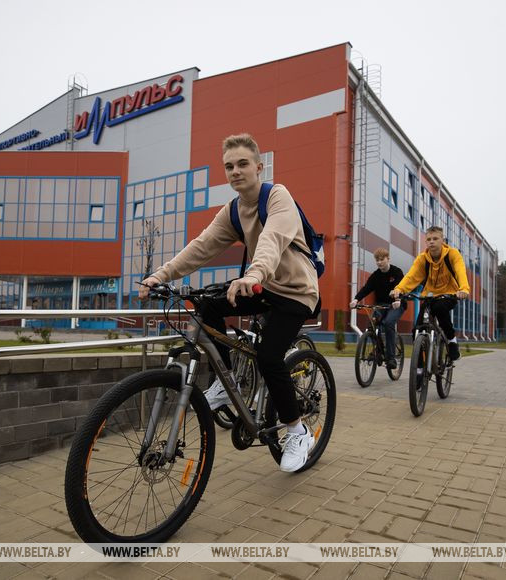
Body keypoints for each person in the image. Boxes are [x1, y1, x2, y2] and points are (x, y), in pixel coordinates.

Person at [138, 133, 320, 473]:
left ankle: (298, 431)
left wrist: (254, 274)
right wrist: (161, 275)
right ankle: (227, 382)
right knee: (207, 305)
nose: (235, 171)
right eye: (229, 166)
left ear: (259, 167)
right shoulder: (233, 210)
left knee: (269, 357)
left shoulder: (277, 196)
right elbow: (201, 246)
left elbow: (272, 239)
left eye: (242, 164)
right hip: (263, 285)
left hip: (296, 291)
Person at [389, 225, 469, 361]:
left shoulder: (452, 254)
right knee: (417, 331)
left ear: (442, 240)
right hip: (429, 296)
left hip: (449, 294)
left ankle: (452, 341)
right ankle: (419, 368)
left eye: (435, 238)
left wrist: (464, 289)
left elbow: (460, 271)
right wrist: (399, 289)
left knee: (440, 308)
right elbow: (411, 276)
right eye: (429, 239)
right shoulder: (422, 259)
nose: (432, 241)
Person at [349, 248, 405, 369]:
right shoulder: (375, 275)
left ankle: (391, 358)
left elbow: (402, 287)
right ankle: (378, 350)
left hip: (397, 304)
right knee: (372, 325)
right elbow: (366, 288)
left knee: (388, 322)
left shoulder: (396, 272)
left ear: (388, 259)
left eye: (381, 259)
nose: (379, 262)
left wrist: (398, 299)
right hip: (381, 304)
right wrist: (356, 300)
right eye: (377, 260)